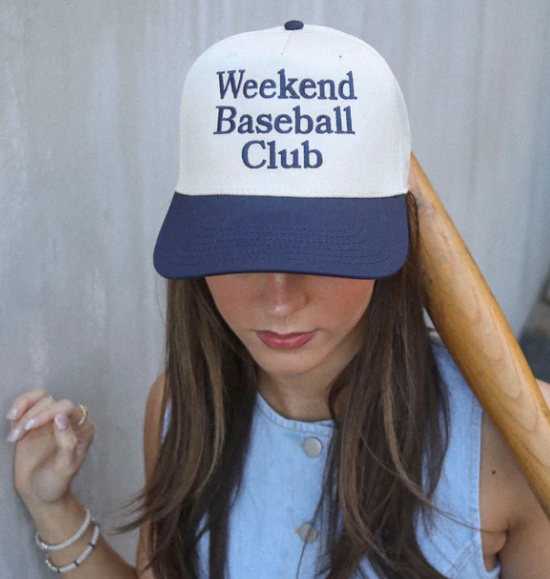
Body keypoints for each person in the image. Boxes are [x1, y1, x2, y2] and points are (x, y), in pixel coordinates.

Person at [6, 21, 550, 579]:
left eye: (323, 251)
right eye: (240, 250)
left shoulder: (516, 440)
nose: (281, 301)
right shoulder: (180, 408)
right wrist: (54, 506)